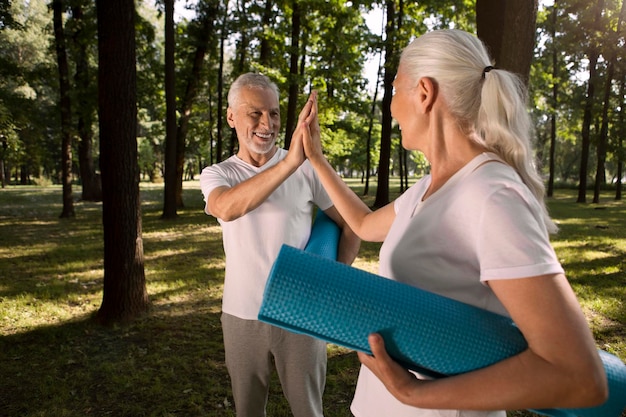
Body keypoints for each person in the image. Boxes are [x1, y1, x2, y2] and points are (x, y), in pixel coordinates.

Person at [297, 29, 608, 417]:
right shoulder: (431, 186)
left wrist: (413, 394)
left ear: (424, 93)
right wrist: (317, 159)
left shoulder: (492, 196)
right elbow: (361, 224)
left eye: (394, 89)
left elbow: (579, 377)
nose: (390, 107)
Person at [200, 72, 360, 417]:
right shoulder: (219, 173)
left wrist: (330, 278)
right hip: (242, 314)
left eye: (273, 113)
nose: (266, 123)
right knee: (248, 411)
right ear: (231, 117)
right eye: (254, 113)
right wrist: (289, 163)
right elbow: (227, 208)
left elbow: (353, 223)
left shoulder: (307, 170)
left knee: (308, 411)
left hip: (300, 316)